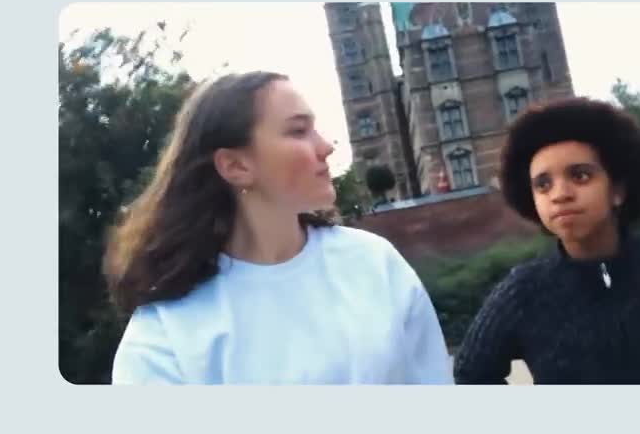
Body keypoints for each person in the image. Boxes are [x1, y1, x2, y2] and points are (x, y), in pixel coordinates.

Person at [105, 71, 451, 385]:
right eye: (298, 131)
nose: (325, 146)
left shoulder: (374, 263)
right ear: (236, 166)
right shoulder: (164, 337)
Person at [453, 98, 640, 384]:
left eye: (580, 176)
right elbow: (471, 372)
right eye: (543, 184)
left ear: (618, 190)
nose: (559, 194)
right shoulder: (523, 293)